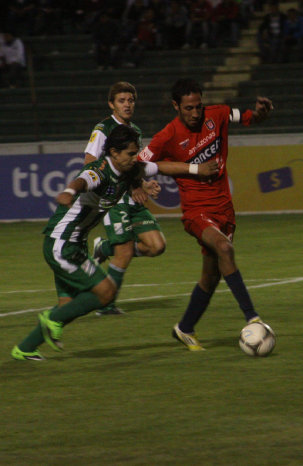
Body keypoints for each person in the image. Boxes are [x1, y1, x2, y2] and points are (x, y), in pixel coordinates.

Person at [11, 123, 219, 360]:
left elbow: (160, 167)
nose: (134, 158)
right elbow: (82, 180)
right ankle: (51, 319)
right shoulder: (100, 170)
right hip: (62, 243)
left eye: (135, 153)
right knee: (106, 293)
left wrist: (196, 169)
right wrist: (69, 192)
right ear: (114, 152)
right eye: (130, 153)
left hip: (75, 243)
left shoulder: (129, 170)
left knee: (69, 304)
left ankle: (25, 348)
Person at [138, 78, 273, 351]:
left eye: (198, 106)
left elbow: (246, 117)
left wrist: (259, 114)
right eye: (188, 108)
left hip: (224, 209)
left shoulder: (218, 114)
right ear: (176, 106)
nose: (195, 113)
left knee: (211, 276)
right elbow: (140, 163)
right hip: (196, 211)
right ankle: (253, 318)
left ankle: (185, 328)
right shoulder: (168, 135)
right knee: (224, 248)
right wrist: (190, 170)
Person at [85, 81, 164, 317]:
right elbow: (89, 162)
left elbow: (132, 167)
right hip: (113, 198)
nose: (127, 104)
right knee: (125, 251)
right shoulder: (103, 129)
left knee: (156, 246)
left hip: (131, 196)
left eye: (130, 100)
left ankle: (104, 247)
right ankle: (106, 305)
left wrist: (142, 183)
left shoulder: (135, 132)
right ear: (112, 104)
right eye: (122, 100)